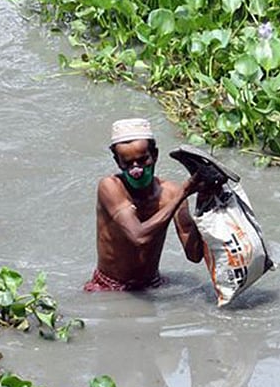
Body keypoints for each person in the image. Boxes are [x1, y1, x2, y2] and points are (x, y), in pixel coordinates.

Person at [84, 118, 206, 292]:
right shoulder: (110, 187)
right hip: (110, 287)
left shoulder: (171, 192)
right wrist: (183, 193)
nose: (136, 170)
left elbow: (194, 255)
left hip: (152, 284)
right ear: (118, 162)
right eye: (127, 163)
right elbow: (138, 237)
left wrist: (203, 198)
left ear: (155, 155)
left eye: (143, 160)